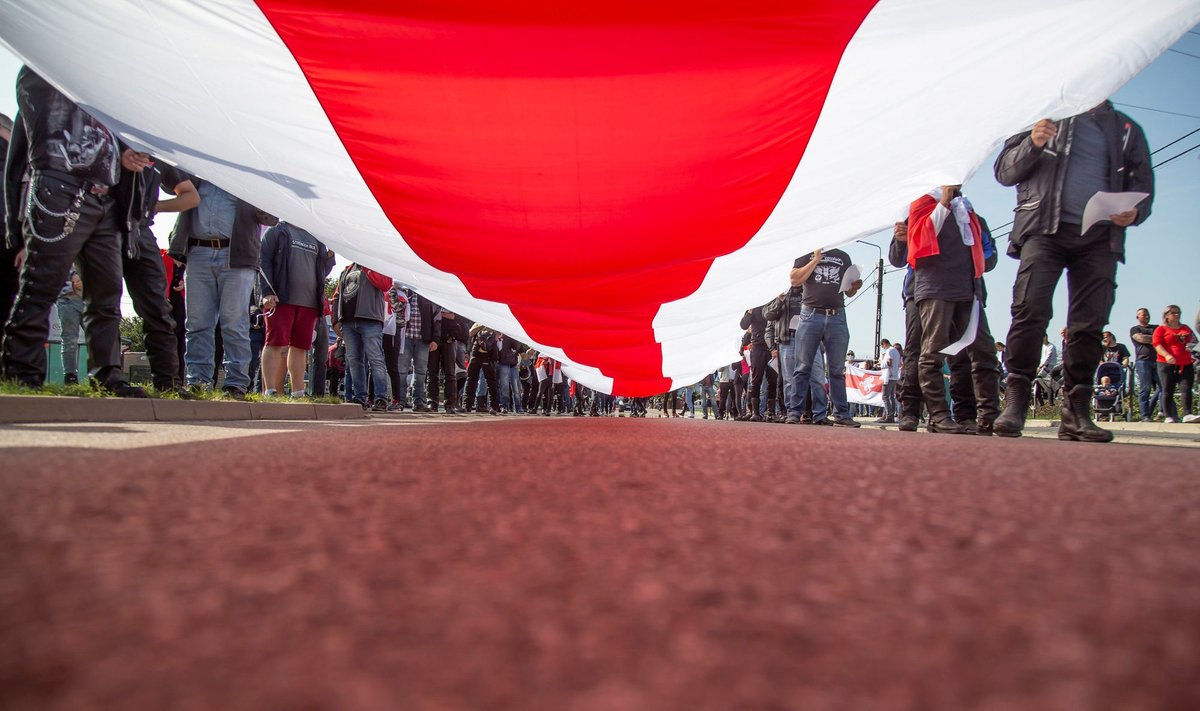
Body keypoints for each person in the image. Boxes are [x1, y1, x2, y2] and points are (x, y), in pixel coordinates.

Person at [993, 101, 1154, 442]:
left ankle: (1076, 410)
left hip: (1100, 237)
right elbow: (1005, 172)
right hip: (1042, 230)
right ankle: (1016, 399)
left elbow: (1144, 186)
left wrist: (1135, 211)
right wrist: (1032, 143)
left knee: (1089, 323)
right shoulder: (1040, 115)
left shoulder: (1126, 130)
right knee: (1029, 311)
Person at [2, 67, 148, 396]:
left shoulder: (104, 86)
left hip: (105, 201)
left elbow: (105, 136)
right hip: (60, 191)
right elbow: (25, 153)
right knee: (41, 285)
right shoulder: (41, 71)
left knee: (106, 295)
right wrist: (14, 224)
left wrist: (123, 154)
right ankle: (21, 371)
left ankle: (107, 374)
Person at [167, 171, 277, 399]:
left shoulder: (247, 179)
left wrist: (260, 191)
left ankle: (236, 383)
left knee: (234, 322)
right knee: (197, 322)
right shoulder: (194, 174)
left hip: (236, 257)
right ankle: (198, 381)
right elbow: (170, 185)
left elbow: (271, 218)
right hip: (198, 253)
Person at [904, 186, 1001, 435]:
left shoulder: (968, 209)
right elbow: (921, 240)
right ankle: (938, 415)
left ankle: (989, 415)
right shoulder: (921, 203)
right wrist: (944, 202)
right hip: (935, 288)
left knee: (983, 351)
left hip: (969, 289)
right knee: (933, 352)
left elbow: (983, 251)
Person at [784, 248, 862, 427]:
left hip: (837, 315)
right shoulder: (806, 253)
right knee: (802, 367)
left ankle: (841, 414)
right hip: (810, 315)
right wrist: (815, 260)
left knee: (836, 369)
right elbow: (795, 279)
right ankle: (795, 412)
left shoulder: (843, 256)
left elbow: (848, 292)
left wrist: (854, 286)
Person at [259, 222, 336, 397]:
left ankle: (298, 392)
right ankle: (270, 391)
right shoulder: (278, 231)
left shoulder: (316, 236)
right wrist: (267, 292)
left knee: (301, 347)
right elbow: (263, 261)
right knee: (274, 342)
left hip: (309, 303)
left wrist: (329, 258)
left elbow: (322, 271)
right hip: (281, 299)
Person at [331, 262, 392, 410]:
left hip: (370, 320)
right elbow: (337, 296)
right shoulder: (347, 270)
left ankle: (380, 398)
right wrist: (335, 320)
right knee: (354, 360)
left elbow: (386, 284)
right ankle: (359, 397)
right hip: (349, 322)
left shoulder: (376, 264)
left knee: (375, 359)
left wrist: (368, 266)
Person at [1153, 305, 1197, 424]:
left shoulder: (1185, 328)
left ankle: (1187, 414)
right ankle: (1168, 416)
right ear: (1166, 315)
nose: (1177, 315)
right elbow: (1157, 344)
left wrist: (1191, 347)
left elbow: (1194, 341)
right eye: (1173, 313)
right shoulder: (1161, 329)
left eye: (1178, 312)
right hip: (1166, 364)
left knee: (1186, 388)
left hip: (1185, 363)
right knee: (1168, 389)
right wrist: (1167, 355)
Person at [739, 302, 778, 421]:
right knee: (756, 380)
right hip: (757, 347)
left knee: (773, 380)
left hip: (772, 346)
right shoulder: (754, 305)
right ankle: (755, 412)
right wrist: (749, 312)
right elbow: (743, 324)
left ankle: (771, 412)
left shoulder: (774, 303)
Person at [1130, 307, 1159, 421]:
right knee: (1145, 389)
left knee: (1162, 388)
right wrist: (1157, 339)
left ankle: (1156, 411)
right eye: (1143, 314)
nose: (1146, 316)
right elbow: (1141, 338)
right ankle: (1145, 416)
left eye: (1147, 314)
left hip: (1158, 361)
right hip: (1143, 362)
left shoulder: (1156, 327)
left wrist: (1153, 338)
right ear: (1138, 317)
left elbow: (1164, 338)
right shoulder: (1135, 329)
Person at [55, 271, 84, 384]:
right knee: (70, 339)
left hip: (91, 297)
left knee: (98, 339)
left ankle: (101, 376)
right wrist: (73, 274)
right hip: (67, 297)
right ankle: (70, 377)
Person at [877, 338, 901, 423]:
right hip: (894, 375)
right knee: (891, 396)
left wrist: (881, 364)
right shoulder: (896, 351)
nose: (883, 347)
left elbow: (889, 362)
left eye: (882, 346)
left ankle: (889, 416)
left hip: (888, 375)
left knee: (885, 396)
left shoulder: (889, 351)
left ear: (884, 344)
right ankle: (889, 415)